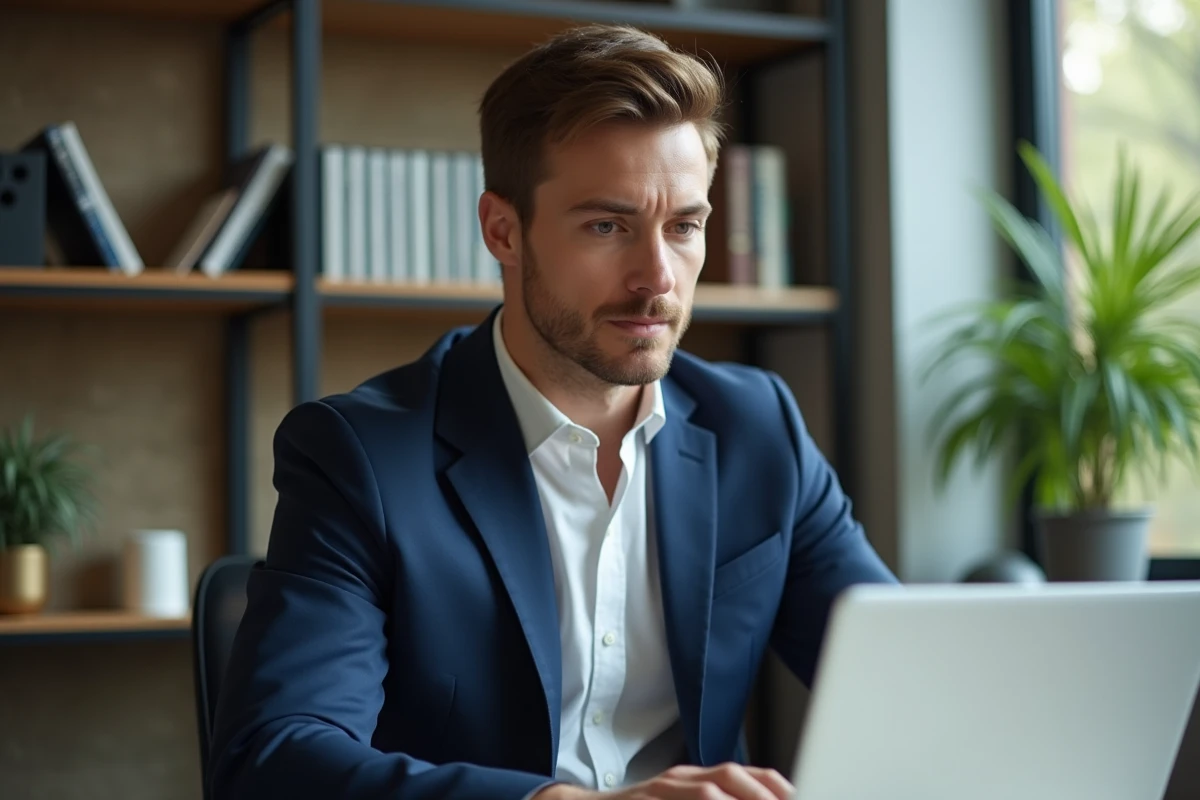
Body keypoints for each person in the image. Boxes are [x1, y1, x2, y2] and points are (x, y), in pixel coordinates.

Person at [208, 22, 898, 800]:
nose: (657, 277)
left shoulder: (757, 427)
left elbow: (907, 682)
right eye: (608, 226)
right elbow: (271, 761)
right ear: (503, 231)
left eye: (685, 227)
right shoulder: (361, 456)